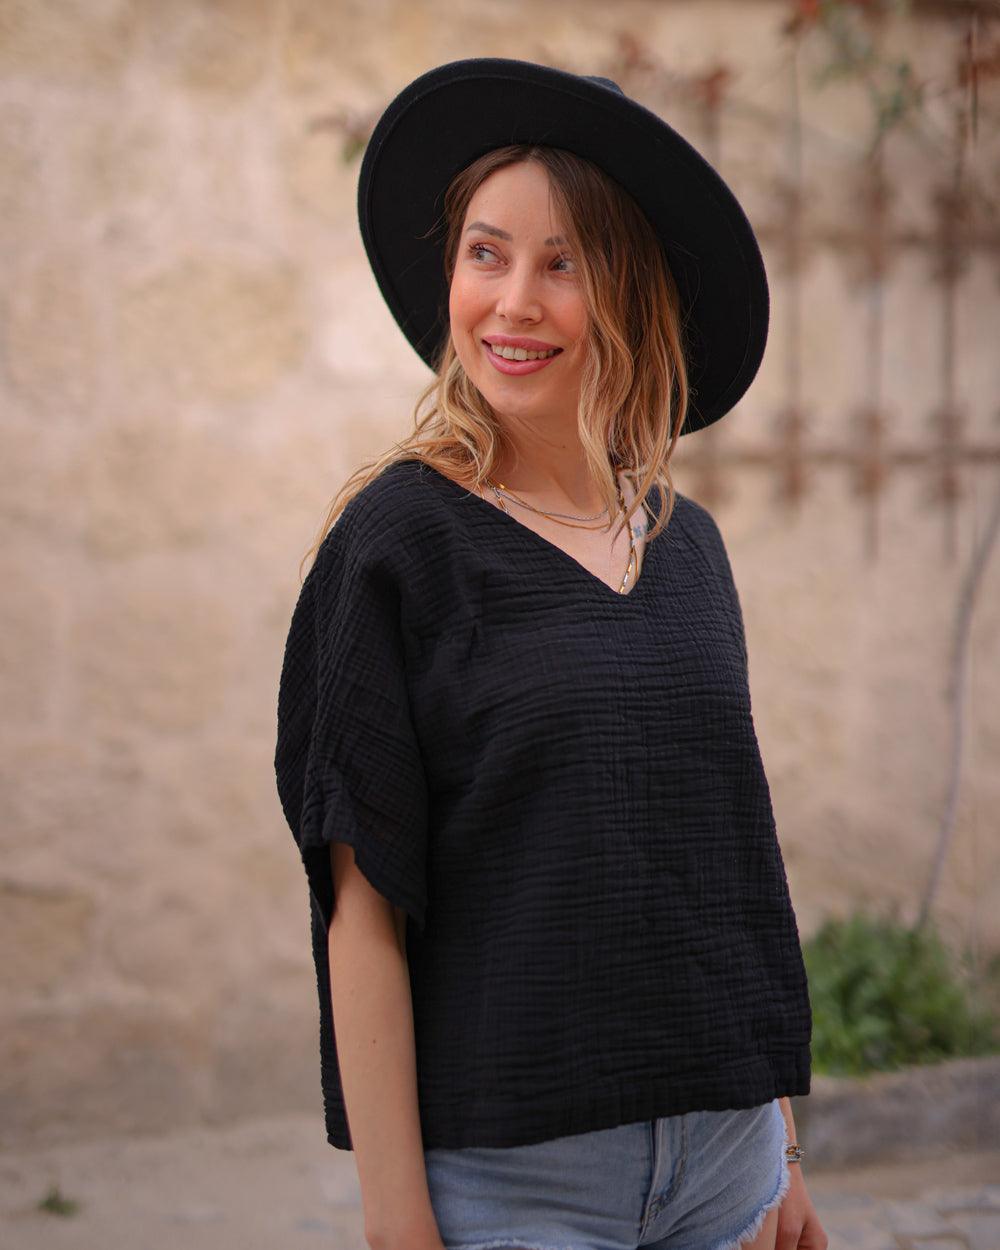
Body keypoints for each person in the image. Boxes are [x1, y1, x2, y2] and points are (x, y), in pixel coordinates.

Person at [274, 57, 827, 1250]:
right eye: (486, 252)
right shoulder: (395, 543)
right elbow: (361, 909)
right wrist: (396, 1220)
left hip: (728, 1165)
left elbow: (720, 852)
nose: (512, 300)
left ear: (630, 294)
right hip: (521, 1184)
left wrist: (777, 1143)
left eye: (562, 262)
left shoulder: (690, 549)